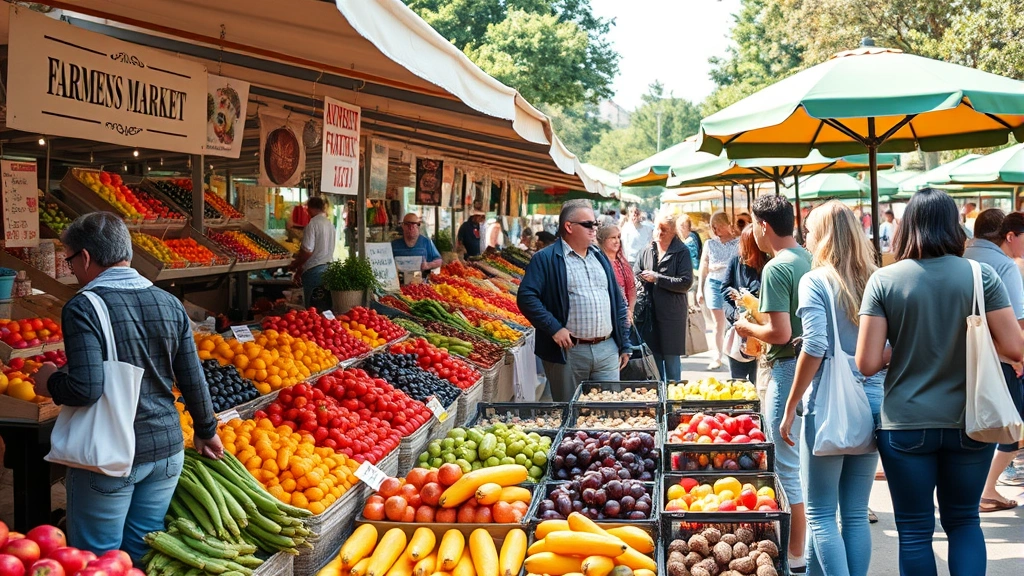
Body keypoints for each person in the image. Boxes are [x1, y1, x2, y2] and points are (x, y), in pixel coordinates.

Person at [31, 212, 222, 563]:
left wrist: (50, 381)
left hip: (112, 454)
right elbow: (193, 377)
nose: (72, 269)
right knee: (140, 554)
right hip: (167, 451)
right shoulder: (169, 302)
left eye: (71, 259)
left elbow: (86, 388)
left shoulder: (84, 307)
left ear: (85, 257)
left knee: (97, 559)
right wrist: (207, 430)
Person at [856, 188, 1024, 576]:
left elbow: (866, 362)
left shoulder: (884, 280)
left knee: (914, 532)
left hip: (906, 422)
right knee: (965, 521)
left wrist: (907, 344)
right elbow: (1016, 348)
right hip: (972, 420)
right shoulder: (979, 276)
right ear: (955, 225)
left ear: (905, 227)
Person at [777, 200, 883, 576]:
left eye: (809, 230)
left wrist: (791, 405)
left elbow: (816, 345)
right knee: (854, 513)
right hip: (873, 400)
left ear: (821, 237)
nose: (805, 236)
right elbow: (890, 347)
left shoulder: (816, 280)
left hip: (828, 403)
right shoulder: (876, 277)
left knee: (821, 512)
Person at [734, 195, 811, 571]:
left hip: (786, 371)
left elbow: (779, 333)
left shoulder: (777, 269)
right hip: (814, 369)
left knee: (786, 466)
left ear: (764, 226)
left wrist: (748, 327)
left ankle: (795, 552)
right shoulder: (810, 258)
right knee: (805, 465)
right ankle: (802, 546)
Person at [517, 199, 631, 401]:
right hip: (569, 353)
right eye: (588, 224)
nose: (594, 229)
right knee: (570, 415)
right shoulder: (545, 258)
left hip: (607, 349)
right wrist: (554, 328)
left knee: (609, 413)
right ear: (568, 227)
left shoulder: (600, 256)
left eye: (595, 224)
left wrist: (624, 344)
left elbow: (617, 300)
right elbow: (527, 297)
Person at [963, 209, 1024, 510]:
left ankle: (978, 488)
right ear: (1007, 235)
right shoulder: (1004, 266)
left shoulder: (958, 259)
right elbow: (1018, 324)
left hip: (959, 359)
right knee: (1009, 427)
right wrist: (1018, 358)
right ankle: (986, 489)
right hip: (999, 361)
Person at [634, 214, 694, 381]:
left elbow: (686, 282)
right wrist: (641, 278)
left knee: (671, 361)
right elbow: (636, 271)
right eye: (657, 228)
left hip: (672, 314)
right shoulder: (647, 249)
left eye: (664, 230)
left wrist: (658, 278)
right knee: (654, 361)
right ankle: (659, 399)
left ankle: (673, 400)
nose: (659, 232)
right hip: (648, 314)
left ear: (674, 231)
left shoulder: (681, 251)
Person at [721, 226, 768, 382]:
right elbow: (724, 289)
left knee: (759, 380)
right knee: (738, 380)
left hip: (761, 332)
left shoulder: (768, 264)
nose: (744, 252)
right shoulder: (736, 261)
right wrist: (735, 317)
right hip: (738, 329)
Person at [697, 212, 740, 370]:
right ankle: (717, 355)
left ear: (727, 225)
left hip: (731, 284)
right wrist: (699, 289)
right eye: (713, 227)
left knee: (732, 320)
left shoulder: (738, 242)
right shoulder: (710, 243)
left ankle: (731, 353)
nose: (715, 231)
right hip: (713, 283)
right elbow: (703, 265)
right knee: (718, 322)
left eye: (718, 227)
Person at [289, 196, 335, 309]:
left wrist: (296, 264)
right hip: (329, 269)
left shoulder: (313, 224)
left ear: (310, 208)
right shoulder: (330, 225)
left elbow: (307, 251)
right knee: (325, 307)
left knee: (313, 309)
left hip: (314, 271)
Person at [597, 224, 636, 327]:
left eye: (618, 237)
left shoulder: (623, 263)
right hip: (604, 317)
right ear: (603, 240)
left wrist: (630, 311)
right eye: (613, 237)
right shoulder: (597, 262)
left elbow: (631, 290)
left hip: (623, 316)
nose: (617, 240)